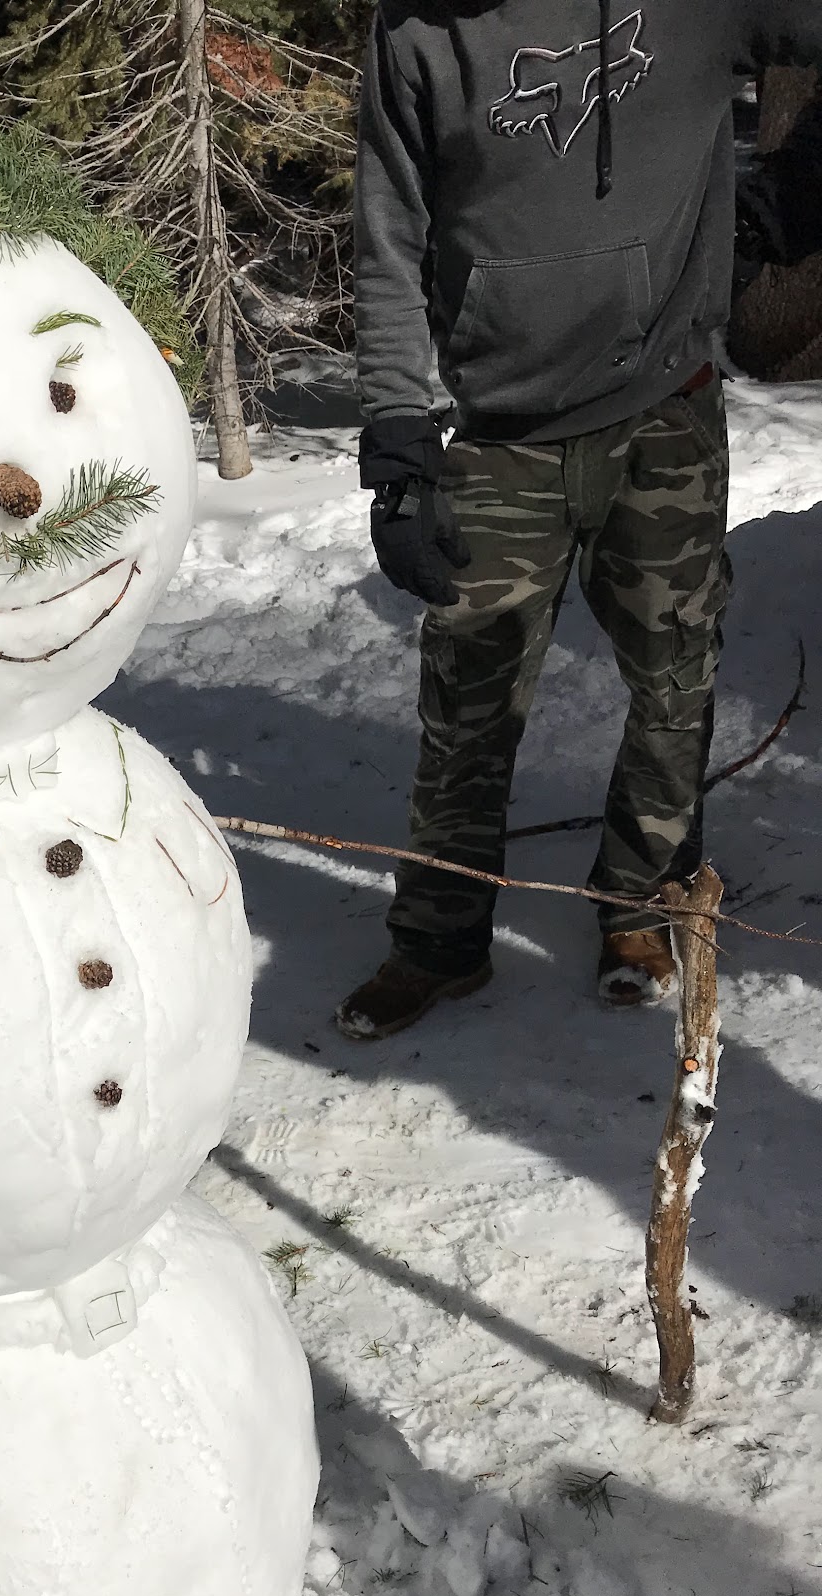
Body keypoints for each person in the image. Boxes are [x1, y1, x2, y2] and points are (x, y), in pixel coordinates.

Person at [337, 1, 822, 1042]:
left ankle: (642, 902)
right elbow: (389, 238)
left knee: (675, 681)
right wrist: (398, 440)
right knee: (467, 705)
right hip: (500, 433)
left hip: (666, 411)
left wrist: (787, 201)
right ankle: (439, 940)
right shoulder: (417, 29)